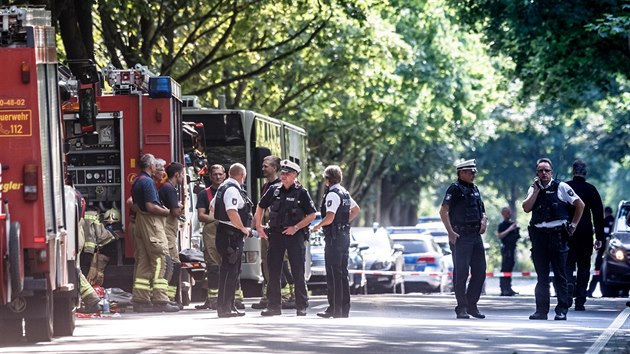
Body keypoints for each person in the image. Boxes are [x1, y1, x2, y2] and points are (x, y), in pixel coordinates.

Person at [522, 157, 584, 321]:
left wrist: (574, 225)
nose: (544, 173)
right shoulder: (533, 189)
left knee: (560, 275)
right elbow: (526, 208)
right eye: (541, 171)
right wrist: (535, 191)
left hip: (558, 236)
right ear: (537, 173)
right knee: (542, 277)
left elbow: (580, 204)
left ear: (551, 172)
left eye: (547, 170)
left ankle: (562, 310)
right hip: (539, 237)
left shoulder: (561, 187)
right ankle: (541, 311)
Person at [254, 160, 317, 317]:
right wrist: (259, 226)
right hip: (275, 235)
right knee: (273, 271)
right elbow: (260, 206)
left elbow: (312, 214)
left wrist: (296, 227)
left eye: (287, 174)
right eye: (282, 173)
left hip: (295, 236)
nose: (283, 176)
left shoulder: (301, 192)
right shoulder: (274, 190)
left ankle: (301, 305)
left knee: (297, 271)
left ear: (295, 175)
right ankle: (274, 306)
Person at [439, 159, 488, 319]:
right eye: (470, 172)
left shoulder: (475, 189)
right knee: (461, 273)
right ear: (461, 173)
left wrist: (484, 221)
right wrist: (450, 232)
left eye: (474, 172)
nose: (473, 174)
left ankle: (472, 304)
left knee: (480, 271)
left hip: (475, 236)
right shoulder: (454, 189)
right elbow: (443, 211)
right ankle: (462, 307)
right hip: (461, 236)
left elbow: (483, 211)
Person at [131, 154, 179, 312]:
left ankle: (141, 300)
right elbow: (151, 206)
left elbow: (133, 202)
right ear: (151, 166)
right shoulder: (148, 182)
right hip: (152, 224)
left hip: (141, 223)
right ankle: (161, 299)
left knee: (144, 261)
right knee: (161, 260)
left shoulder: (137, 180)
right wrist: (165, 211)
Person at [312, 165, 361, 318]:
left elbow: (329, 217)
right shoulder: (345, 193)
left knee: (333, 273)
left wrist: (317, 226)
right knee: (342, 273)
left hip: (334, 238)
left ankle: (334, 308)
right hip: (344, 235)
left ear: (328, 179)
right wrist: (344, 222)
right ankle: (344, 309)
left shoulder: (333, 194)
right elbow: (356, 210)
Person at [211, 163, 253, 318]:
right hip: (231, 236)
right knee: (229, 272)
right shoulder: (232, 190)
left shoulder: (222, 188)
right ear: (242, 175)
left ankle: (230, 305)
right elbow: (231, 211)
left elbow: (212, 207)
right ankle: (224, 307)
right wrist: (242, 228)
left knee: (232, 272)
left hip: (226, 234)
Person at [565, 160, 605, 311]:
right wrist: (599, 237)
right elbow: (598, 214)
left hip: (568, 231)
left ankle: (568, 286)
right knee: (584, 265)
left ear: (572, 171)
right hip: (586, 232)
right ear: (585, 173)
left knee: (567, 263)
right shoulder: (591, 189)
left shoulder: (565, 187)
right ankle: (580, 300)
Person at [251, 155, 281, 310]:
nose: (263, 169)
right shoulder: (265, 186)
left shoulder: (281, 185)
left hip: (277, 230)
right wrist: (254, 226)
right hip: (265, 229)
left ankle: (283, 295)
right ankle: (267, 296)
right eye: (262, 166)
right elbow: (260, 207)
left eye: (266, 166)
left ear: (275, 168)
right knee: (265, 262)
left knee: (279, 262)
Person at [158, 162, 185, 306]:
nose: (183, 177)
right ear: (177, 174)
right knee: (174, 263)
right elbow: (175, 212)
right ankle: (169, 297)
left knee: (172, 263)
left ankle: (170, 297)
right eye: (182, 174)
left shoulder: (167, 188)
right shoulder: (169, 189)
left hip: (169, 230)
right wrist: (181, 206)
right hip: (167, 230)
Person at [587, 206, 615, 297]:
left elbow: (596, 230)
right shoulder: (615, 223)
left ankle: (590, 291)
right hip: (612, 254)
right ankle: (607, 292)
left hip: (602, 251)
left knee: (597, 271)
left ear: (605, 212)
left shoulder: (603, 222)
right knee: (604, 273)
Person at [497, 207, 520, 296]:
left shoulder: (512, 224)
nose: (509, 214)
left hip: (512, 248)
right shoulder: (502, 225)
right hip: (506, 249)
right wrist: (510, 229)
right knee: (505, 268)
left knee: (510, 268)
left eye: (509, 213)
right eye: (507, 213)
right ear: (503, 214)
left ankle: (509, 288)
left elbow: (517, 236)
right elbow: (500, 236)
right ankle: (504, 289)